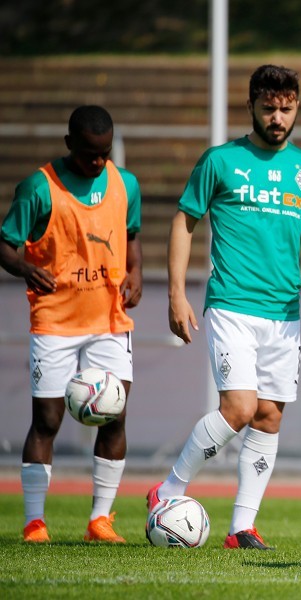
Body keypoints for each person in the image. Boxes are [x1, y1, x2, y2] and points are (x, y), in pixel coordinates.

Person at [148, 64, 301, 550]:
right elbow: (184, 222)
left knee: (269, 416)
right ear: (251, 105)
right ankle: (167, 489)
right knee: (238, 408)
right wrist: (175, 292)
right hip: (232, 303)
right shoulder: (220, 161)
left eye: (287, 108)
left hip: (284, 313)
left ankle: (241, 528)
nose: (278, 117)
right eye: (269, 107)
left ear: (297, 107)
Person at [0, 105, 143, 544]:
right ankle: (34, 521)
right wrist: (25, 268)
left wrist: (135, 273)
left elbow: (131, 234)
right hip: (55, 320)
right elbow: (5, 246)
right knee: (47, 420)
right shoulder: (38, 188)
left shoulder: (125, 183)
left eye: (103, 154)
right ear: (69, 145)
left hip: (108, 319)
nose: (98, 163)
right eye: (88, 155)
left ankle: (101, 521)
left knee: (114, 417)